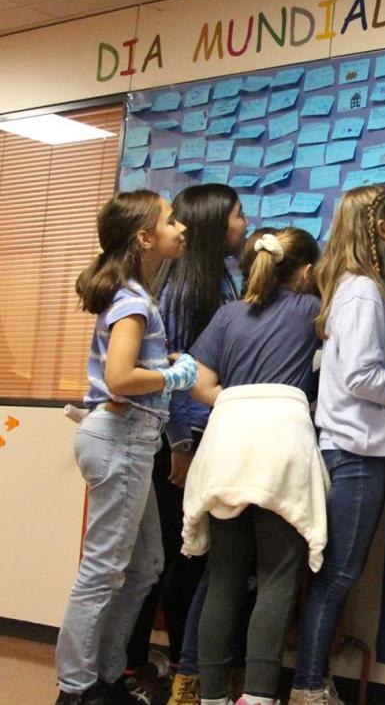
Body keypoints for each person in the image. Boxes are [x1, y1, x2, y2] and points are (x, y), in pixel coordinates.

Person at [290, 186, 385, 704]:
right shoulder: (363, 292)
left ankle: (312, 680)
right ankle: (307, 687)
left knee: (339, 573)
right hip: (355, 454)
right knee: (339, 573)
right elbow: (364, 378)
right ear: (378, 228)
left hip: (362, 452)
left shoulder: (362, 290)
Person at [57, 191, 197, 704]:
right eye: (170, 220)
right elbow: (119, 377)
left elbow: (128, 368)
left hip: (130, 441)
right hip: (120, 440)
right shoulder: (134, 300)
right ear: (144, 238)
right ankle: (76, 690)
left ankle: (109, 676)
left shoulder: (135, 295)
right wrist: (170, 374)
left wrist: (164, 364)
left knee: (143, 568)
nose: (180, 227)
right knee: (102, 571)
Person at [179, 227, 329, 705]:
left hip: (227, 445)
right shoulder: (313, 312)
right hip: (279, 445)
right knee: (278, 576)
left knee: (223, 576)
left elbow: (200, 385)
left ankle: (214, 697)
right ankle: (260, 697)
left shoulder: (227, 315)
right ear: (305, 270)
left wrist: (241, 401)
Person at [148, 183, 248, 705]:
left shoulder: (220, 280)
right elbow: (180, 373)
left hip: (209, 435)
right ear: (215, 225)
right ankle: (183, 673)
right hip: (184, 440)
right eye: (237, 216)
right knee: (184, 557)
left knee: (197, 557)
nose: (245, 223)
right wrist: (182, 443)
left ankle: (194, 667)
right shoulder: (187, 289)